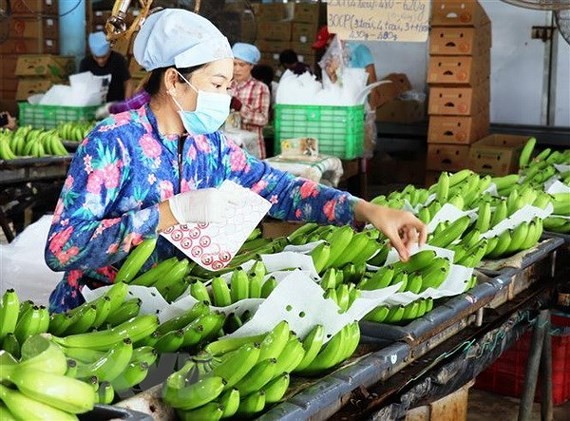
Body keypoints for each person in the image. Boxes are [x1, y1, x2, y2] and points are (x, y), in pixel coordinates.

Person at [44, 9, 426, 313]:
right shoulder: (113, 143)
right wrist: (167, 213)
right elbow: (62, 248)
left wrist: (365, 210)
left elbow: (278, 188)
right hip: (96, 316)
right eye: (216, 84)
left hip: (169, 314)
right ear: (175, 81)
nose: (224, 97)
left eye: (228, 86)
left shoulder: (209, 144)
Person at [312, 25, 380, 158]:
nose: (327, 49)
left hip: (358, 112)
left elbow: (373, 86)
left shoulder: (360, 51)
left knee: (360, 153)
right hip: (337, 115)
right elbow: (336, 86)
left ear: (336, 39)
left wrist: (371, 116)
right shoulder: (331, 59)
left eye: (327, 45)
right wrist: (331, 74)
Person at [229, 42, 271, 159]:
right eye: (234, 64)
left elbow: (262, 119)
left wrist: (240, 108)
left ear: (251, 66)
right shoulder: (226, 86)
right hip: (230, 149)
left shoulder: (260, 88)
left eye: (241, 65)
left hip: (251, 150)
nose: (237, 69)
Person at [80, 31, 134, 103]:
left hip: (116, 105)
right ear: (92, 53)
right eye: (97, 57)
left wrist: (127, 104)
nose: (100, 61)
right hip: (94, 106)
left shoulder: (118, 60)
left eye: (104, 57)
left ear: (109, 51)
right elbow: (81, 87)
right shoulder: (85, 63)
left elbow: (128, 83)